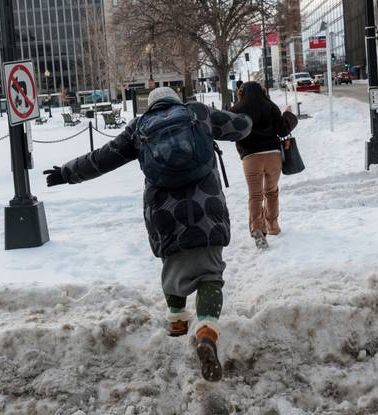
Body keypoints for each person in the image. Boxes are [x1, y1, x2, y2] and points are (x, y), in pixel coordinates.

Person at [43, 87, 252, 382]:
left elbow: (101, 159)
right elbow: (241, 127)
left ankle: (177, 322)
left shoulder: (138, 128)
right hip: (207, 206)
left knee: (173, 265)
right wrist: (250, 113)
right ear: (176, 101)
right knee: (209, 273)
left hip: (163, 212)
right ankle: (206, 333)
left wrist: (66, 173)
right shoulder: (198, 113)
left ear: (151, 106)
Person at [231, 81, 297, 249]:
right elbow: (283, 130)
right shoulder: (270, 106)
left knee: (255, 196)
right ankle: (273, 226)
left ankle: (258, 230)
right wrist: (288, 114)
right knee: (271, 192)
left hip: (251, 158)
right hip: (273, 155)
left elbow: (230, 131)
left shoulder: (236, 110)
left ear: (241, 93)